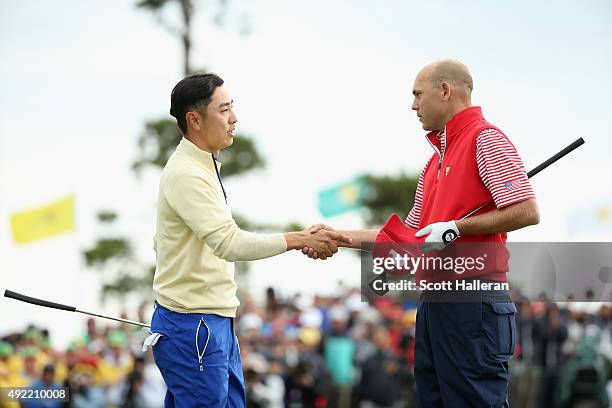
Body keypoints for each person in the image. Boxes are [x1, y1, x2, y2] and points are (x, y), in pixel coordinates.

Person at [304, 59, 540, 407]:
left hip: (473, 302)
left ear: (445, 91)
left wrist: (456, 227)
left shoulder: (485, 139)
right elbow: (411, 236)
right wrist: (343, 236)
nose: (413, 106)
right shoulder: (433, 164)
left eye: (418, 95)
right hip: (435, 303)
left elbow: (526, 209)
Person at [146, 72, 352, 408]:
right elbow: (230, 243)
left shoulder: (202, 165)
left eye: (232, 108)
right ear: (194, 120)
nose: (234, 118)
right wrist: (299, 239)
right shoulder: (187, 172)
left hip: (210, 320)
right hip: (193, 323)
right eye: (224, 110)